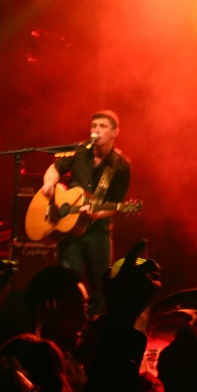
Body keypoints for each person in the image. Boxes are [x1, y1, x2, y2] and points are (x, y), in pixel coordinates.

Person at [40, 110, 130, 316]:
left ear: (115, 132)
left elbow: (115, 204)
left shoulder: (121, 166)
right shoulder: (79, 151)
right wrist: (49, 185)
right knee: (68, 283)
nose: (96, 130)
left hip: (98, 232)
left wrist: (97, 213)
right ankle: (68, 328)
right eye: (94, 126)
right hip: (69, 230)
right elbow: (55, 168)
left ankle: (96, 333)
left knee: (102, 287)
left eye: (102, 126)